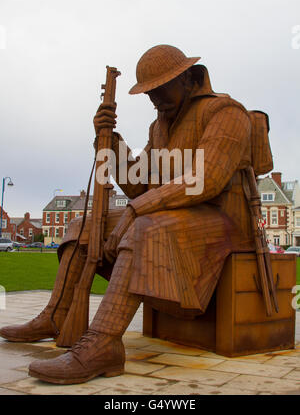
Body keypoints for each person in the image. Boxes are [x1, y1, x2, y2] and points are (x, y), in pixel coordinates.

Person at [0, 44, 263, 384]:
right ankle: (55, 316)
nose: (154, 99)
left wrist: (138, 210)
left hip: (223, 222)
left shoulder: (225, 112)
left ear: (185, 77)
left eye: (160, 88)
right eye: (149, 93)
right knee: (83, 224)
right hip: (176, 215)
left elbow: (206, 179)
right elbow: (141, 184)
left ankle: (103, 343)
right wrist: (111, 142)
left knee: (145, 228)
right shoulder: (160, 127)